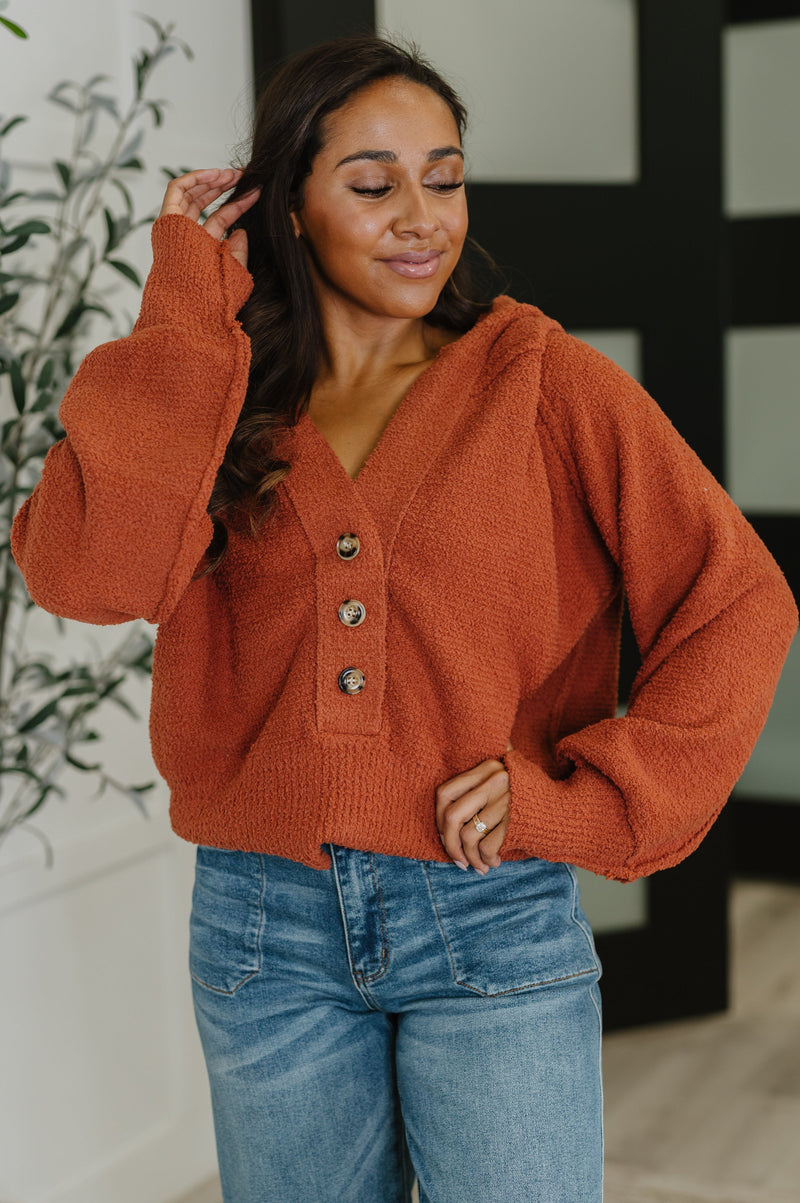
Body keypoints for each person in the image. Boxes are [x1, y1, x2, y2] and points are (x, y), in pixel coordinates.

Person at [11, 33, 797, 1203]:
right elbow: (93, 578)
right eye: (374, 185)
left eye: (444, 175)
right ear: (284, 206)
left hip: (487, 911)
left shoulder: (541, 382)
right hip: (261, 929)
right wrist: (186, 304)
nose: (421, 215)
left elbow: (734, 600)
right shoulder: (217, 399)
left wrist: (593, 792)